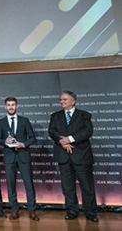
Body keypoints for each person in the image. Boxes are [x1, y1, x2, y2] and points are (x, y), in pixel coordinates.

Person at [48, 91, 98, 222]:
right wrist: (62, 142)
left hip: (81, 156)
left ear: (73, 101)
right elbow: (52, 132)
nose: (62, 102)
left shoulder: (84, 115)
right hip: (63, 156)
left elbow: (87, 131)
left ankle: (90, 212)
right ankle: (71, 211)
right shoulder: (55, 116)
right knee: (68, 186)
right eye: (60, 100)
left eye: (64, 99)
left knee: (87, 186)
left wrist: (69, 139)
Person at [0, 97, 39, 221]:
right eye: (8, 105)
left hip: (23, 155)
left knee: (28, 183)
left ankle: (32, 210)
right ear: (5, 107)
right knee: (10, 184)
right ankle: (14, 209)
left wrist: (23, 144)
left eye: (13, 105)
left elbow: (32, 138)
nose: (11, 107)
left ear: (17, 106)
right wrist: (5, 141)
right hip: (9, 157)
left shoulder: (24, 121)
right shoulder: (1, 122)